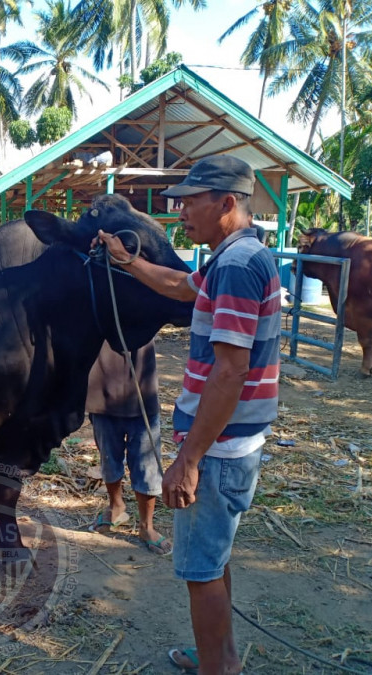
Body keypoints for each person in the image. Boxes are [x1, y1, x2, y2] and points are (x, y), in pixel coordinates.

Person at [96, 154, 281, 675]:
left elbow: (229, 372)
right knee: (213, 560)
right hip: (231, 442)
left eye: (190, 202)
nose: (180, 213)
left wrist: (190, 460)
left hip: (218, 449)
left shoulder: (239, 268)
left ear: (227, 203)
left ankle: (218, 669)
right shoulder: (233, 259)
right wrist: (127, 260)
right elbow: (181, 288)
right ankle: (218, 655)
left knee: (200, 570)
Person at [86, 340, 172, 556]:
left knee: (146, 465)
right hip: (100, 393)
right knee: (108, 457)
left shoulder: (147, 305)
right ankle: (116, 507)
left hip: (142, 395)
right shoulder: (89, 304)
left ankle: (146, 526)